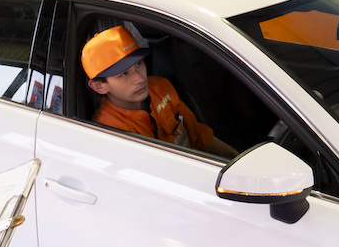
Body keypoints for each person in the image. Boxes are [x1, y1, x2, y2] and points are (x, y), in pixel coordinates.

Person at [82, 26, 237, 158]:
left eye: (139, 63)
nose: (139, 78)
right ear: (100, 86)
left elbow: (199, 135)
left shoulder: (160, 87)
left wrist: (236, 158)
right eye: (124, 73)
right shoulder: (109, 131)